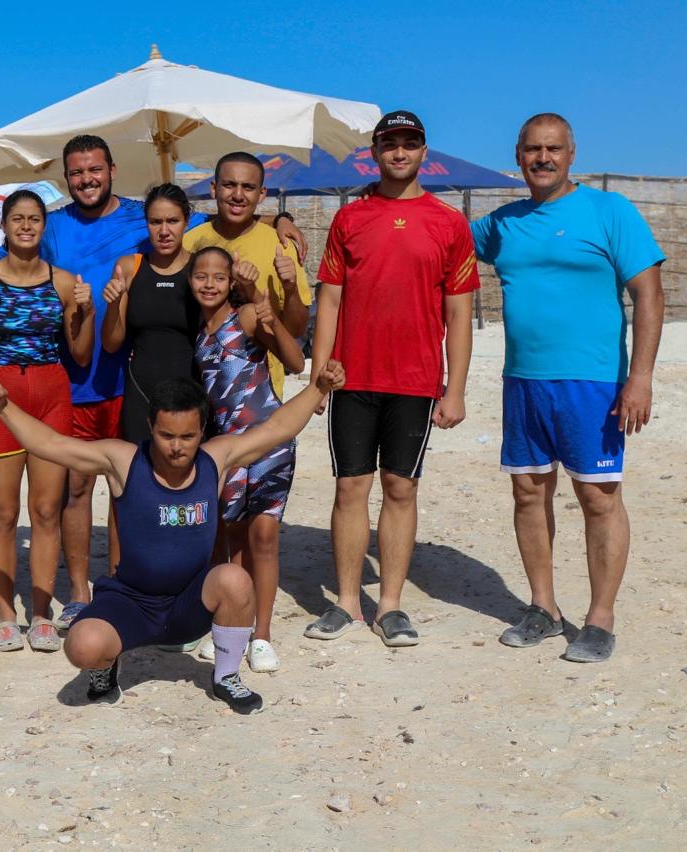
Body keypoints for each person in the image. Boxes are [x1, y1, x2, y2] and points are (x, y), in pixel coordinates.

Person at [0, 136, 309, 631]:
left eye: (95, 169)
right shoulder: (72, 234)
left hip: (182, 395)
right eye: (77, 172)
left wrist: (278, 220)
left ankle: (196, 596)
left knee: (191, 496)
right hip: (102, 382)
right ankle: (96, 591)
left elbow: (229, 215)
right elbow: (5, 257)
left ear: (112, 170)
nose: (163, 228)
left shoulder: (176, 244)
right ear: (66, 178)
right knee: (101, 489)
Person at [0, 364, 345, 713]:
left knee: (235, 579)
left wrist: (319, 388)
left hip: (191, 603)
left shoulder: (216, 459)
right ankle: (105, 670)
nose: (176, 447)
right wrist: (4, 409)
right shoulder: (123, 461)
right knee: (81, 646)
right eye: (166, 435)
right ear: (150, 426)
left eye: (187, 436)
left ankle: (226, 676)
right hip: (132, 602)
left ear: (202, 430)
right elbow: (52, 444)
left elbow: (277, 428)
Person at [473, 113, 665, 663]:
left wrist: (641, 378)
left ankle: (600, 619)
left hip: (594, 381)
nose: (543, 158)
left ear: (571, 153)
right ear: (518, 156)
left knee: (598, 498)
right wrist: (292, 222)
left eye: (553, 148)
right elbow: (437, 241)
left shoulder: (610, 210)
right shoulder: (501, 223)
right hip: (523, 380)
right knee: (528, 491)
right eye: (533, 149)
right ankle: (543, 608)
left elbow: (649, 295)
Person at [305, 110, 479, 647]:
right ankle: (347, 602)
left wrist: (455, 389)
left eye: (409, 143)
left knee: (401, 487)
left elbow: (459, 311)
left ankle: (391, 605)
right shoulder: (349, 218)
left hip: (415, 377)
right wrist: (318, 373)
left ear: (424, 151)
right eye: (390, 143)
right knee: (350, 485)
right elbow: (329, 299)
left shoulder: (449, 223)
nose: (399, 152)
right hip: (352, 375)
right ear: (374, 152)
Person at [0, 190, 95, 652]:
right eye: (18, 219)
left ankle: (41, 612)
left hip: (51, 394)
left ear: (43, 226)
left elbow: (80, 353)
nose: (27, 226)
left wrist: (87, 312)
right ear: (4, 225)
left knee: (47, 511)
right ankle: (5, 613)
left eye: (35, 219)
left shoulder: (63, 282)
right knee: (3, 512)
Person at [190, 247, 305, 671]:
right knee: (232, 539)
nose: (209, 284)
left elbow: (295, 362)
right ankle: (232, 628)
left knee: (264, 537)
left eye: (219, 277)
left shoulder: (247, 317)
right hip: (229, 450)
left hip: (271, 441)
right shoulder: (197, 333)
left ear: (231, 283)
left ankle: (263, 636)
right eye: (201, 276)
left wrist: (272, 319)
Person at [183, 152, 313, 399]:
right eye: (229, 185)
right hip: (196, 388)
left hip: (257, 394)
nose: (238, 195)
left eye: (248, 187)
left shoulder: (281, 245)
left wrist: (291, 289)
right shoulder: (190, 242)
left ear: (261, 194)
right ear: (214, 188)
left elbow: (296, 331)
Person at [100, 183, 199, 442]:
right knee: (140, 466)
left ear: (187, 221)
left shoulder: (201, 270)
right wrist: (113, 305)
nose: (164, 231)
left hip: (192, 396)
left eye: (172, 221)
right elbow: (111, 344)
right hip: (142, 395)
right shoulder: (129, 267)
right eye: (155, 222)